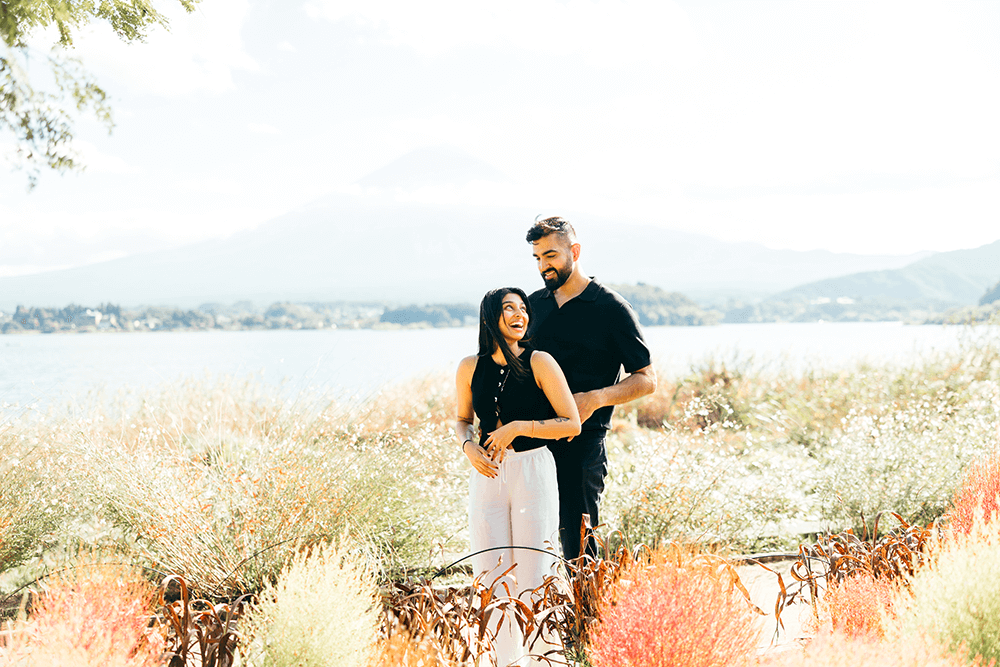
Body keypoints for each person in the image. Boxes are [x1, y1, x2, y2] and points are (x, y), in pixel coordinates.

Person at [455, 287, 581, 667]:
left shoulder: (540, 361)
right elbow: (461, 420)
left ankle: (545, 661)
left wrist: (516, 428)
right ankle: (503, 662)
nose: (519, 314)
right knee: (490, 573)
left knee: (535, 571)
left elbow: (571, 423)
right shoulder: (468, 366)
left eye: (523, 308)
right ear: (489, 317)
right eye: (508, 308)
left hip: (533, 471)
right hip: (487, 475)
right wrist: (467, 447)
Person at [525, 216, 657, 561]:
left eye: (551, 255)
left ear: (575, 251)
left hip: (581, 447)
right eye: (537, 257)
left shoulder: (611, 309)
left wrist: (596, 398)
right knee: (532, 545)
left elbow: (646, 378)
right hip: (529, 445)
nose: (544, 265)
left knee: (579, 553)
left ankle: (589, 616)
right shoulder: (531, 306)